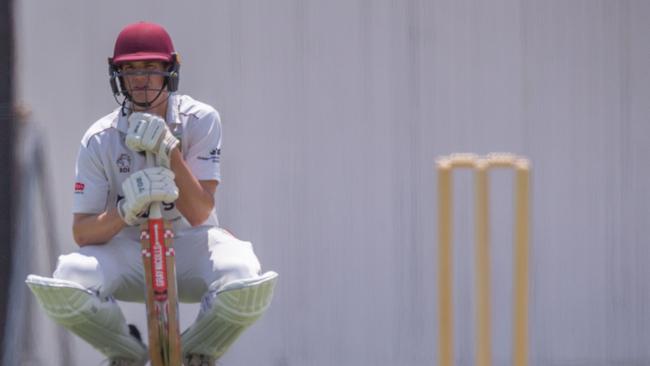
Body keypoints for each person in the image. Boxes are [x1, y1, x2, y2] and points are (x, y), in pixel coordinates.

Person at [26, 21, 278, 366]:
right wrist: (126, 208)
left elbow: (201, 212)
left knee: (246, 281)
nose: (140, 78)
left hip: (190, 243)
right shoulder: (99, 138)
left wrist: (169, 149)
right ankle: (125, 351)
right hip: (129, 251)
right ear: (118, 75)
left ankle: (194, 352)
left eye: (150, 67)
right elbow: (83, 232)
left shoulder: (200, 120)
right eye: (130, 69)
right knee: (66, 284)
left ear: (169, 71)